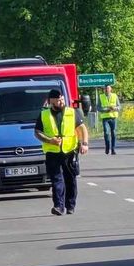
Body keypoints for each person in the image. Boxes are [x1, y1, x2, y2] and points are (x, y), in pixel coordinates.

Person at [34, 88, 89, 216]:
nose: (61, 101)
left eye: (62, 99)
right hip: (52, 152)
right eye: (58, 99)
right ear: (51, 100)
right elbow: (37, 133)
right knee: (56, 180)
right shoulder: (44, 115)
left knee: (70, 179)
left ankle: (70, 205)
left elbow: (82, 129)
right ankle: (58, 206)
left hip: (69, 151)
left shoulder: (72, 112)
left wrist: (84, 143)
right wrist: (50, 140)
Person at [98, 84, 121, 155]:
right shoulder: (101, 97)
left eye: (108, 88)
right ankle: (107, 147)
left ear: (111, 89)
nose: (106, 90)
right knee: (106, 133)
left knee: (113, 133)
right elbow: (98, 108)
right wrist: (106, 110)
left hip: (113, 117)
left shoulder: (115, 96)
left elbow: (119, 106)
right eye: (105, 89)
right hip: (105, 118)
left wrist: (115, 108)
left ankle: (113, 149)